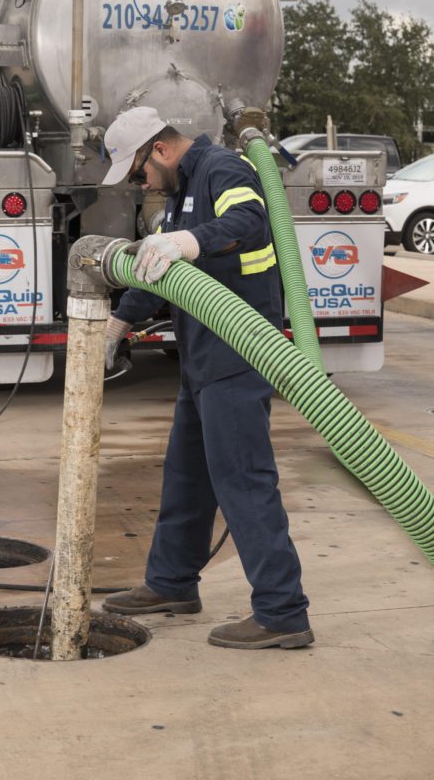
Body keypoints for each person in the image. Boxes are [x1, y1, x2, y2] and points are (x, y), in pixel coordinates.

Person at [100, 106, 313, 650]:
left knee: (243, 479)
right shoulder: (179, 192)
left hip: (236, 355)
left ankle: (282, 612)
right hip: (200, 358)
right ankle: (172, 582)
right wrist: (121, 318)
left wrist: (186, 243)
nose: (139, 182)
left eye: (138, 171)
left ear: (161, 150)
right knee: (187, 477)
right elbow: (161, 270)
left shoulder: (223, 170)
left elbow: (248, 223)